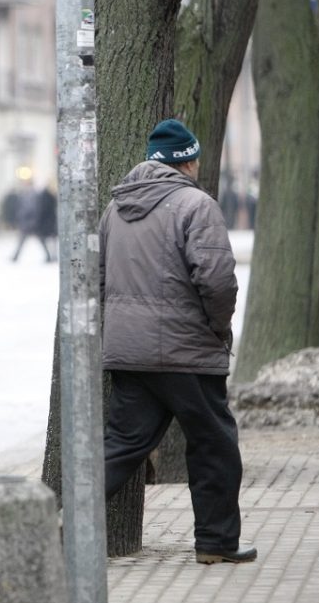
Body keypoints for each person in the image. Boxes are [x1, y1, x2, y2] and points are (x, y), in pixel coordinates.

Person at [99, 118, 256, 564]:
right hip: (188, 353)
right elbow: (218, 282)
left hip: (129, 353)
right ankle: (216, 543)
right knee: (214, 447)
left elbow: (98, 279)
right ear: (190, 160)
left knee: (121, 445)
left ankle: (57, 517)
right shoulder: (196, 205)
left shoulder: (115, 208)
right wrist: (217, 329)